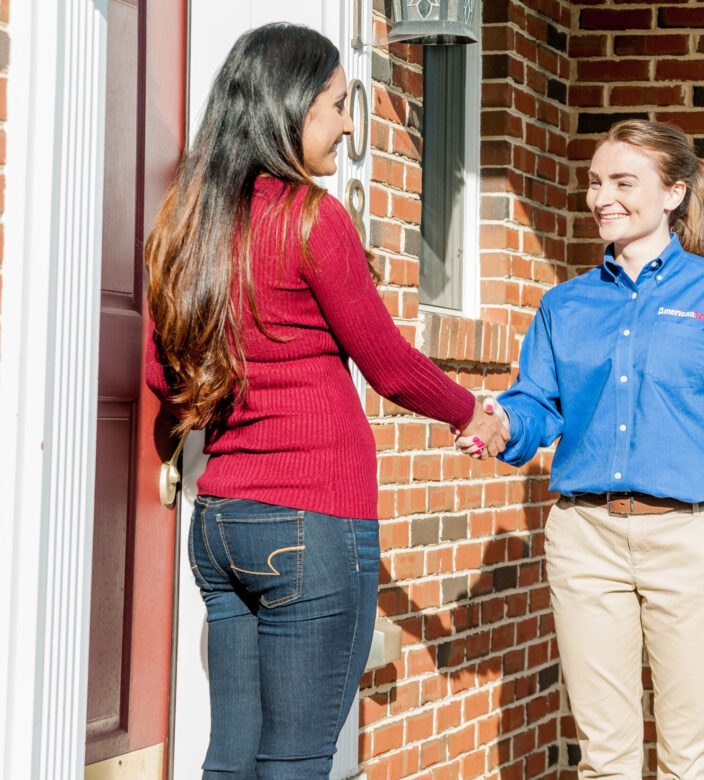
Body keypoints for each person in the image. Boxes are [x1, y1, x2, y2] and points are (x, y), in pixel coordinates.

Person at [144, 24, 506, 779]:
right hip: (310, 523)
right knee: (298, 761)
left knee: (231, 757)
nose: (347, 125)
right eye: (338, 105)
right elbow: (389, 364)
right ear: (290, 106)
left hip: (220, 528)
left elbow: (160, 370)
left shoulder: (187, 221)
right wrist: (472, 411)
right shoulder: (310, 218)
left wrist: (213, 411)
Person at [458, 120, 704, 778]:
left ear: (673, 193)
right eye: (594, 182)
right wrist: (498, 420)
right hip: (586, 542)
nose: (600, 197)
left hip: (693, 541)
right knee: (605, 761)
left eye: (621, 182)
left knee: (690, 761)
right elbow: (538, 405)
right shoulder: (566, 305)